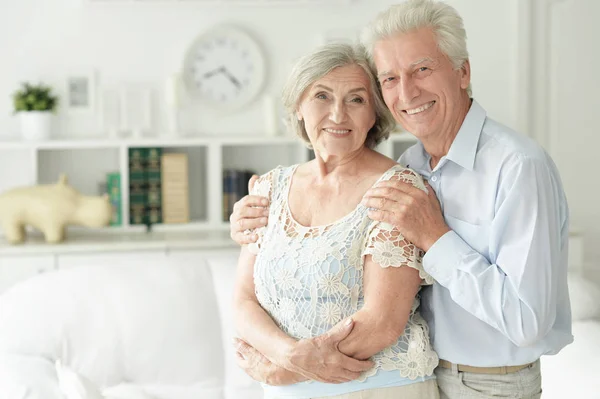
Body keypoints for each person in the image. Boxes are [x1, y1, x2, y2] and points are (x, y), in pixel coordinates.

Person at [230, 1, 572, 398]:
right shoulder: (413, 164)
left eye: (422, 69)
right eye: (390, 78)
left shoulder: (517, 166)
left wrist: (435, 236)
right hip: (423, 370)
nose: (407, 92)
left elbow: (527, 321)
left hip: (487, 382)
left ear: (463, 71)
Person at [233, 42, 440, 399]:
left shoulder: (396, 189)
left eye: (356, 100)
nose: (338, 115)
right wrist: (287, 355)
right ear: (299, 105)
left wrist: (285, 372)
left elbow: (382, 323)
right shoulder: (269, 188)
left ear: (375, 113)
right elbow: (242, 299)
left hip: (378, 390)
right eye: (322, 96)